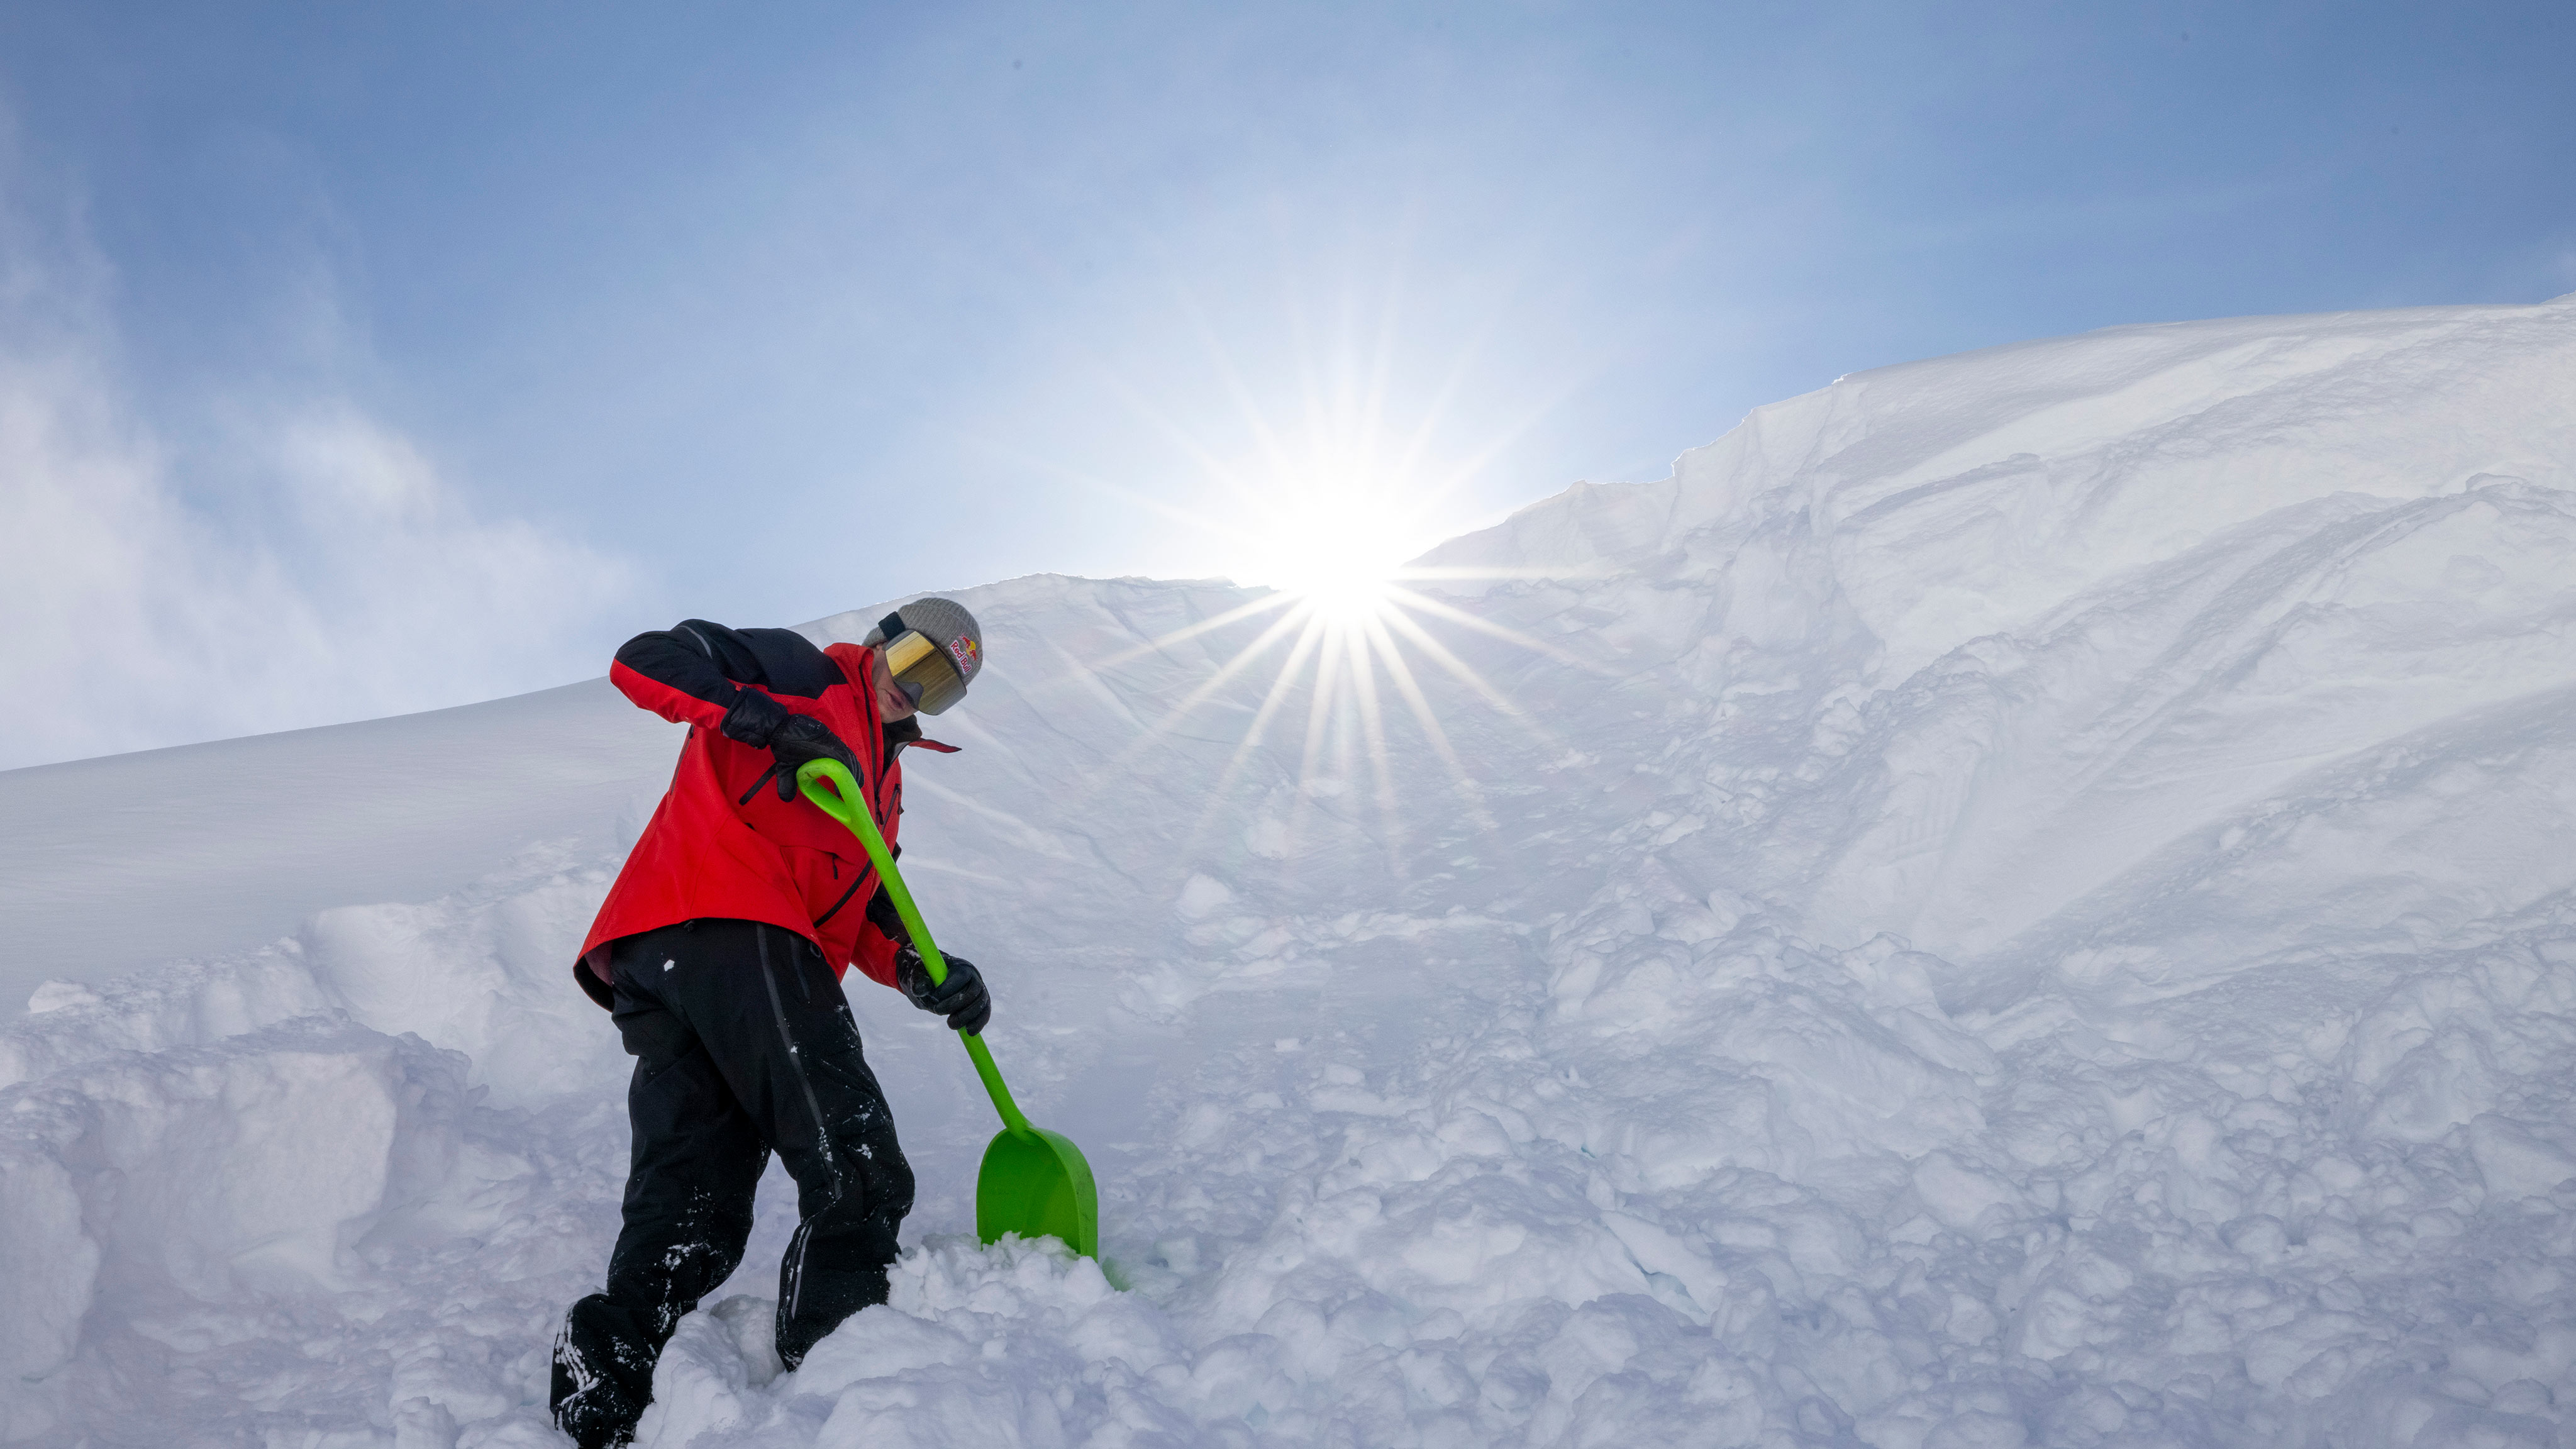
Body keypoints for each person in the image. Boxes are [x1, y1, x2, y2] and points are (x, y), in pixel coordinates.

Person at [550, 599, 994, 1449]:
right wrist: (766, 723)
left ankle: (605, 1381)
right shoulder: (804, 674)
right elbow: (644, 659)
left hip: (676, 964)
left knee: (695, 1210)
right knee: (855, 1155)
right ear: (880, 639)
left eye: (938, 687)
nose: (911, 689)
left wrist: (926, 972)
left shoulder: (884, 789)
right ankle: (843, 1366)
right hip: (730, 921)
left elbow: (871, 910)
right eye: (910, 660)